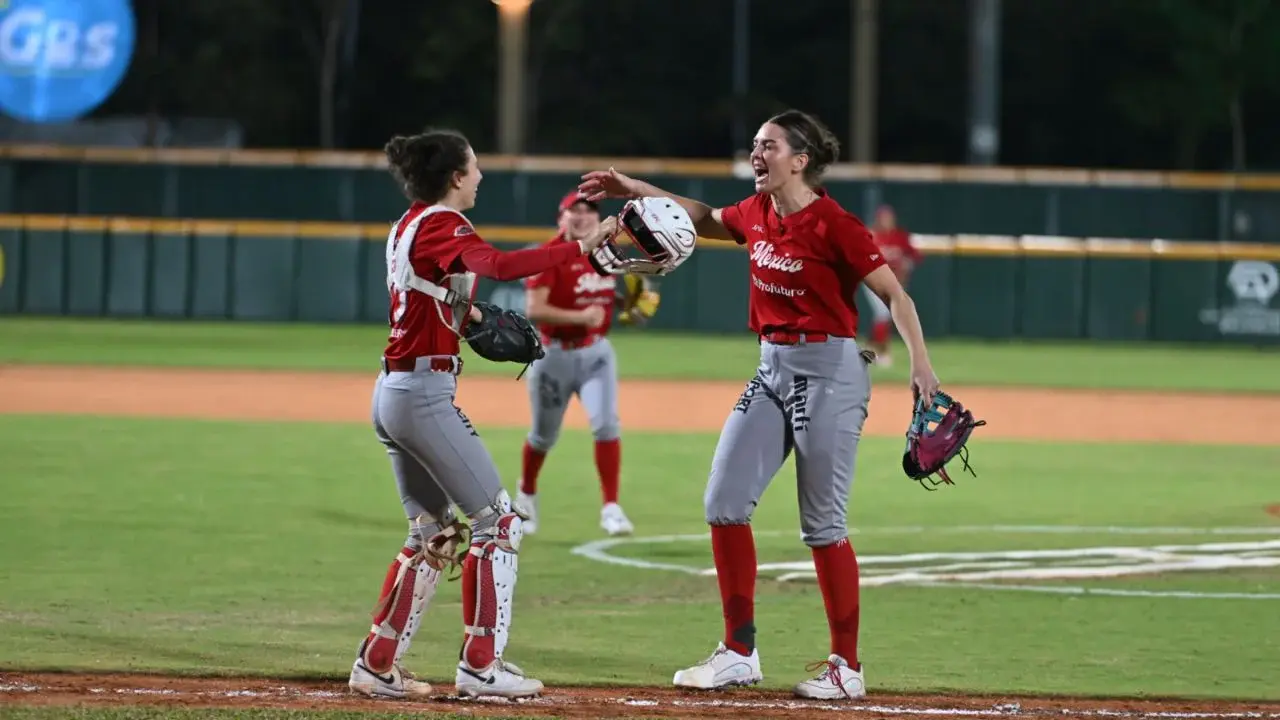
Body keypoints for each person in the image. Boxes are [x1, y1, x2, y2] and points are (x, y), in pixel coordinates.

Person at [578, 109, 941, 701]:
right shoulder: (756, 213)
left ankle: (846, 668)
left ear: (799, 160)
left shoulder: (835, 225)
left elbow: (895, 295)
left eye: (768, 145)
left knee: (822, 526)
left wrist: (922, 365)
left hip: (830, 374)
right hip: (771, 370)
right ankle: (738, 653)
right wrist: (633, 188)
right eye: (754, 144)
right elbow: (695, 216)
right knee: (723, 502)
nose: (756, 153)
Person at [348, 127, 615, 702]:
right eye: (474, 166)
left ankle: (377, 663)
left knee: (433, 533)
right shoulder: (445, 224)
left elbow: (435, 296)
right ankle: (481, 665)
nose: (481, 175)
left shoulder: (408, 224)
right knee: (500, 522)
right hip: (420, 394)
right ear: (455, 177)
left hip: (394, 389)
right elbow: (498, 264)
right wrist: (584, 247)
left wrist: (468, 321)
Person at [514, 191, 635, 538]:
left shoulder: (607, 251)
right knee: (543, 436)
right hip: (553, 356)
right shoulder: (550, 255)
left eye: (589, 211)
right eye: (574, 211)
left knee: (607, 426)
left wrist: (630, 305)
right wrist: (582, 316)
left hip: (596, 353)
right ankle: (527, 495)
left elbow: (606, 295)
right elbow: (535, 309)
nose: (582, 217)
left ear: (598, 219)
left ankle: (611, 508)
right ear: (561, 218)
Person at [859, 204, 921, 366]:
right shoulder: (871, 235)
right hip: (873, 282)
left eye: (889, 218)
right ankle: (882, 352)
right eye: (883, 218)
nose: (887, 221)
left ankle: (870, 348)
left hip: (894, 282)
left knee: (885, 315)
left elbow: (914, 256)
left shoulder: (900, 236)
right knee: (883, 313)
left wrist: (907, 266)